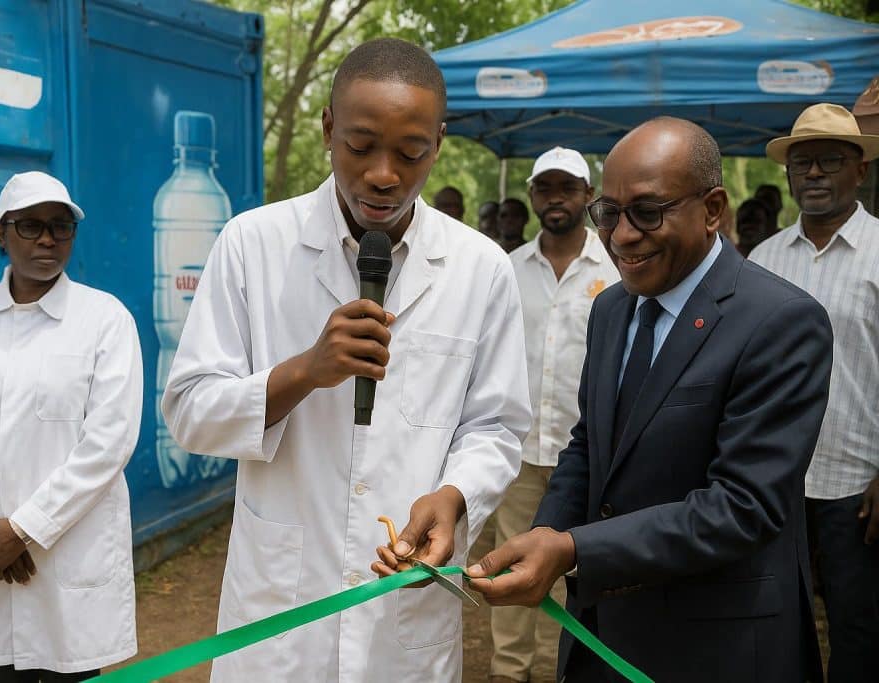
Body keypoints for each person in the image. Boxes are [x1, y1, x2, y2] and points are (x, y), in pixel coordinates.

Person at [162, 38, 530, 682]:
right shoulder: (253, 244)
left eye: (411, 152)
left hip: (401, 617)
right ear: (328, 128)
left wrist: (455, 495)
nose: (384, 174)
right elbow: (191, 412)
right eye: (360, 146)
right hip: (281, 614)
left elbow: (496, 428)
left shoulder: (482, 270)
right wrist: (306, 370)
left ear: (438, 143)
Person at [467, 117, 833, 683]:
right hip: (602, 636)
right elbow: (590, 444)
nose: (620, 236)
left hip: (719, 645)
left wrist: (574, 549)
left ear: (712, 210)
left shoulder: (780, 321)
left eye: (646, 212)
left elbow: (743, 506)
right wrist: (546, 531)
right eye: (609, 214)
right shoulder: (612, 309)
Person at [0, 172, 143, 682]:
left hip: (65, 560)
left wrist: (24, 530)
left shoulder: (105, 320)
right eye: (31, 226)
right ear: (0, 234)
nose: (47, 239)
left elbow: (109, 442)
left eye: (61, 227)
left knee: (73, 672)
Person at [749, 102, 879, 683]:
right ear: (788, 175)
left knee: (858, 623)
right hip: (772, 479)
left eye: (831, 161)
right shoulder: (763, 260)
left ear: (861, 172)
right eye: (803, 164)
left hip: (859, 483)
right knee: (776, 617)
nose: (816, 174)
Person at [490, 147, 620, 683]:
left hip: (586, 450)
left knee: (571, 563)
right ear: (532, 195)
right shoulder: (507, 268)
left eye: (568, 188)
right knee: (509, 557)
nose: (555, 198)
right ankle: (509, 669)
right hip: (518, 448)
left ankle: (554, 669)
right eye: (545, 188)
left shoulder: (616, 267)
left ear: (589, 197)